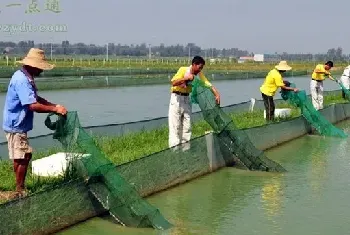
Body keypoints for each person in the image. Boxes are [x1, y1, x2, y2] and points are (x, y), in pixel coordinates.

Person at [2, 48, 67, 197]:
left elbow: (35, 99)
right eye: (40, 68)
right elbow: (32, 105)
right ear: (32, 65)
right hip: (16, 125)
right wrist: (55, 110)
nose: (41, 71)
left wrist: (54, 106)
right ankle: (20, 190)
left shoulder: (26, 77)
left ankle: (20, 187)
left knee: (23, 156)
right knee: (22, 156)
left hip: (18, 123)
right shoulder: (22, 80)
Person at [168, 56, 220, 150]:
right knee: (175, 126)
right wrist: (186, 78)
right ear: (194, 64)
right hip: (177, 99)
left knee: (187, 126)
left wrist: (216, 93)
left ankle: (185, 150)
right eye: (199, 67)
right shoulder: (183, 70)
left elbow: (207, 83)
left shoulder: (199, 75)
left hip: (187, 99)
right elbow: (173, 82)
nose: (200, 70)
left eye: (201, 68)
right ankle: (174, 151)